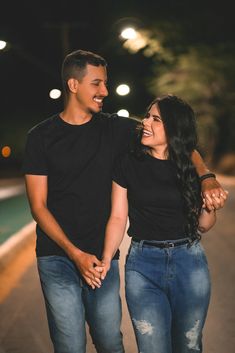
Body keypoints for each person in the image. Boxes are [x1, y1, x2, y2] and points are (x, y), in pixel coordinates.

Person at [22, 49, 226, 353]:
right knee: (69, 346)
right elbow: (38, 207)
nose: (104, 91)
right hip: (57, 257)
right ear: (73, 85)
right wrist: (75, 254)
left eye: (106, 83)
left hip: (103, 256)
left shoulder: (115, 128)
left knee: (110, 343)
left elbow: (180, 141)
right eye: (97, 83)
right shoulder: (40, 137)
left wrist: (206, 176)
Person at [101, 94, 224, 353]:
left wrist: (210, 206)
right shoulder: (128, 163)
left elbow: (203, 224)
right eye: (147, 116)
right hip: (142, 267)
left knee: (188, 347)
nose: (146, 122)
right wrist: (105, 258)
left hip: (189, 264)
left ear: (174, 127)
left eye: (155, 119)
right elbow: (117, 217)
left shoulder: (190, 169)